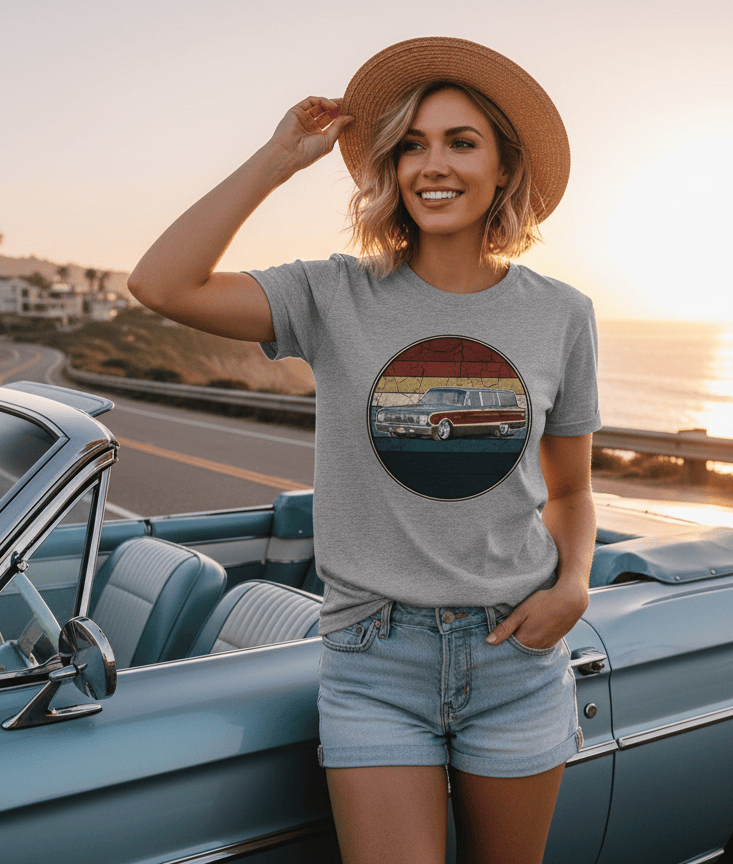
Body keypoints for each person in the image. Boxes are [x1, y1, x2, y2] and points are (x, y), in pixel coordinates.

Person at [129, 36, 600, 864]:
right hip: (373, 659)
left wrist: (573, 587)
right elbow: (163, 284)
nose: (433, 164)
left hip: (514, 656)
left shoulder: (562, 314)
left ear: (502, 168)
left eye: (461, 141)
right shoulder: (332, 294)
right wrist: (278, 158)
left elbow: (569, 492)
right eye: (412, 144)